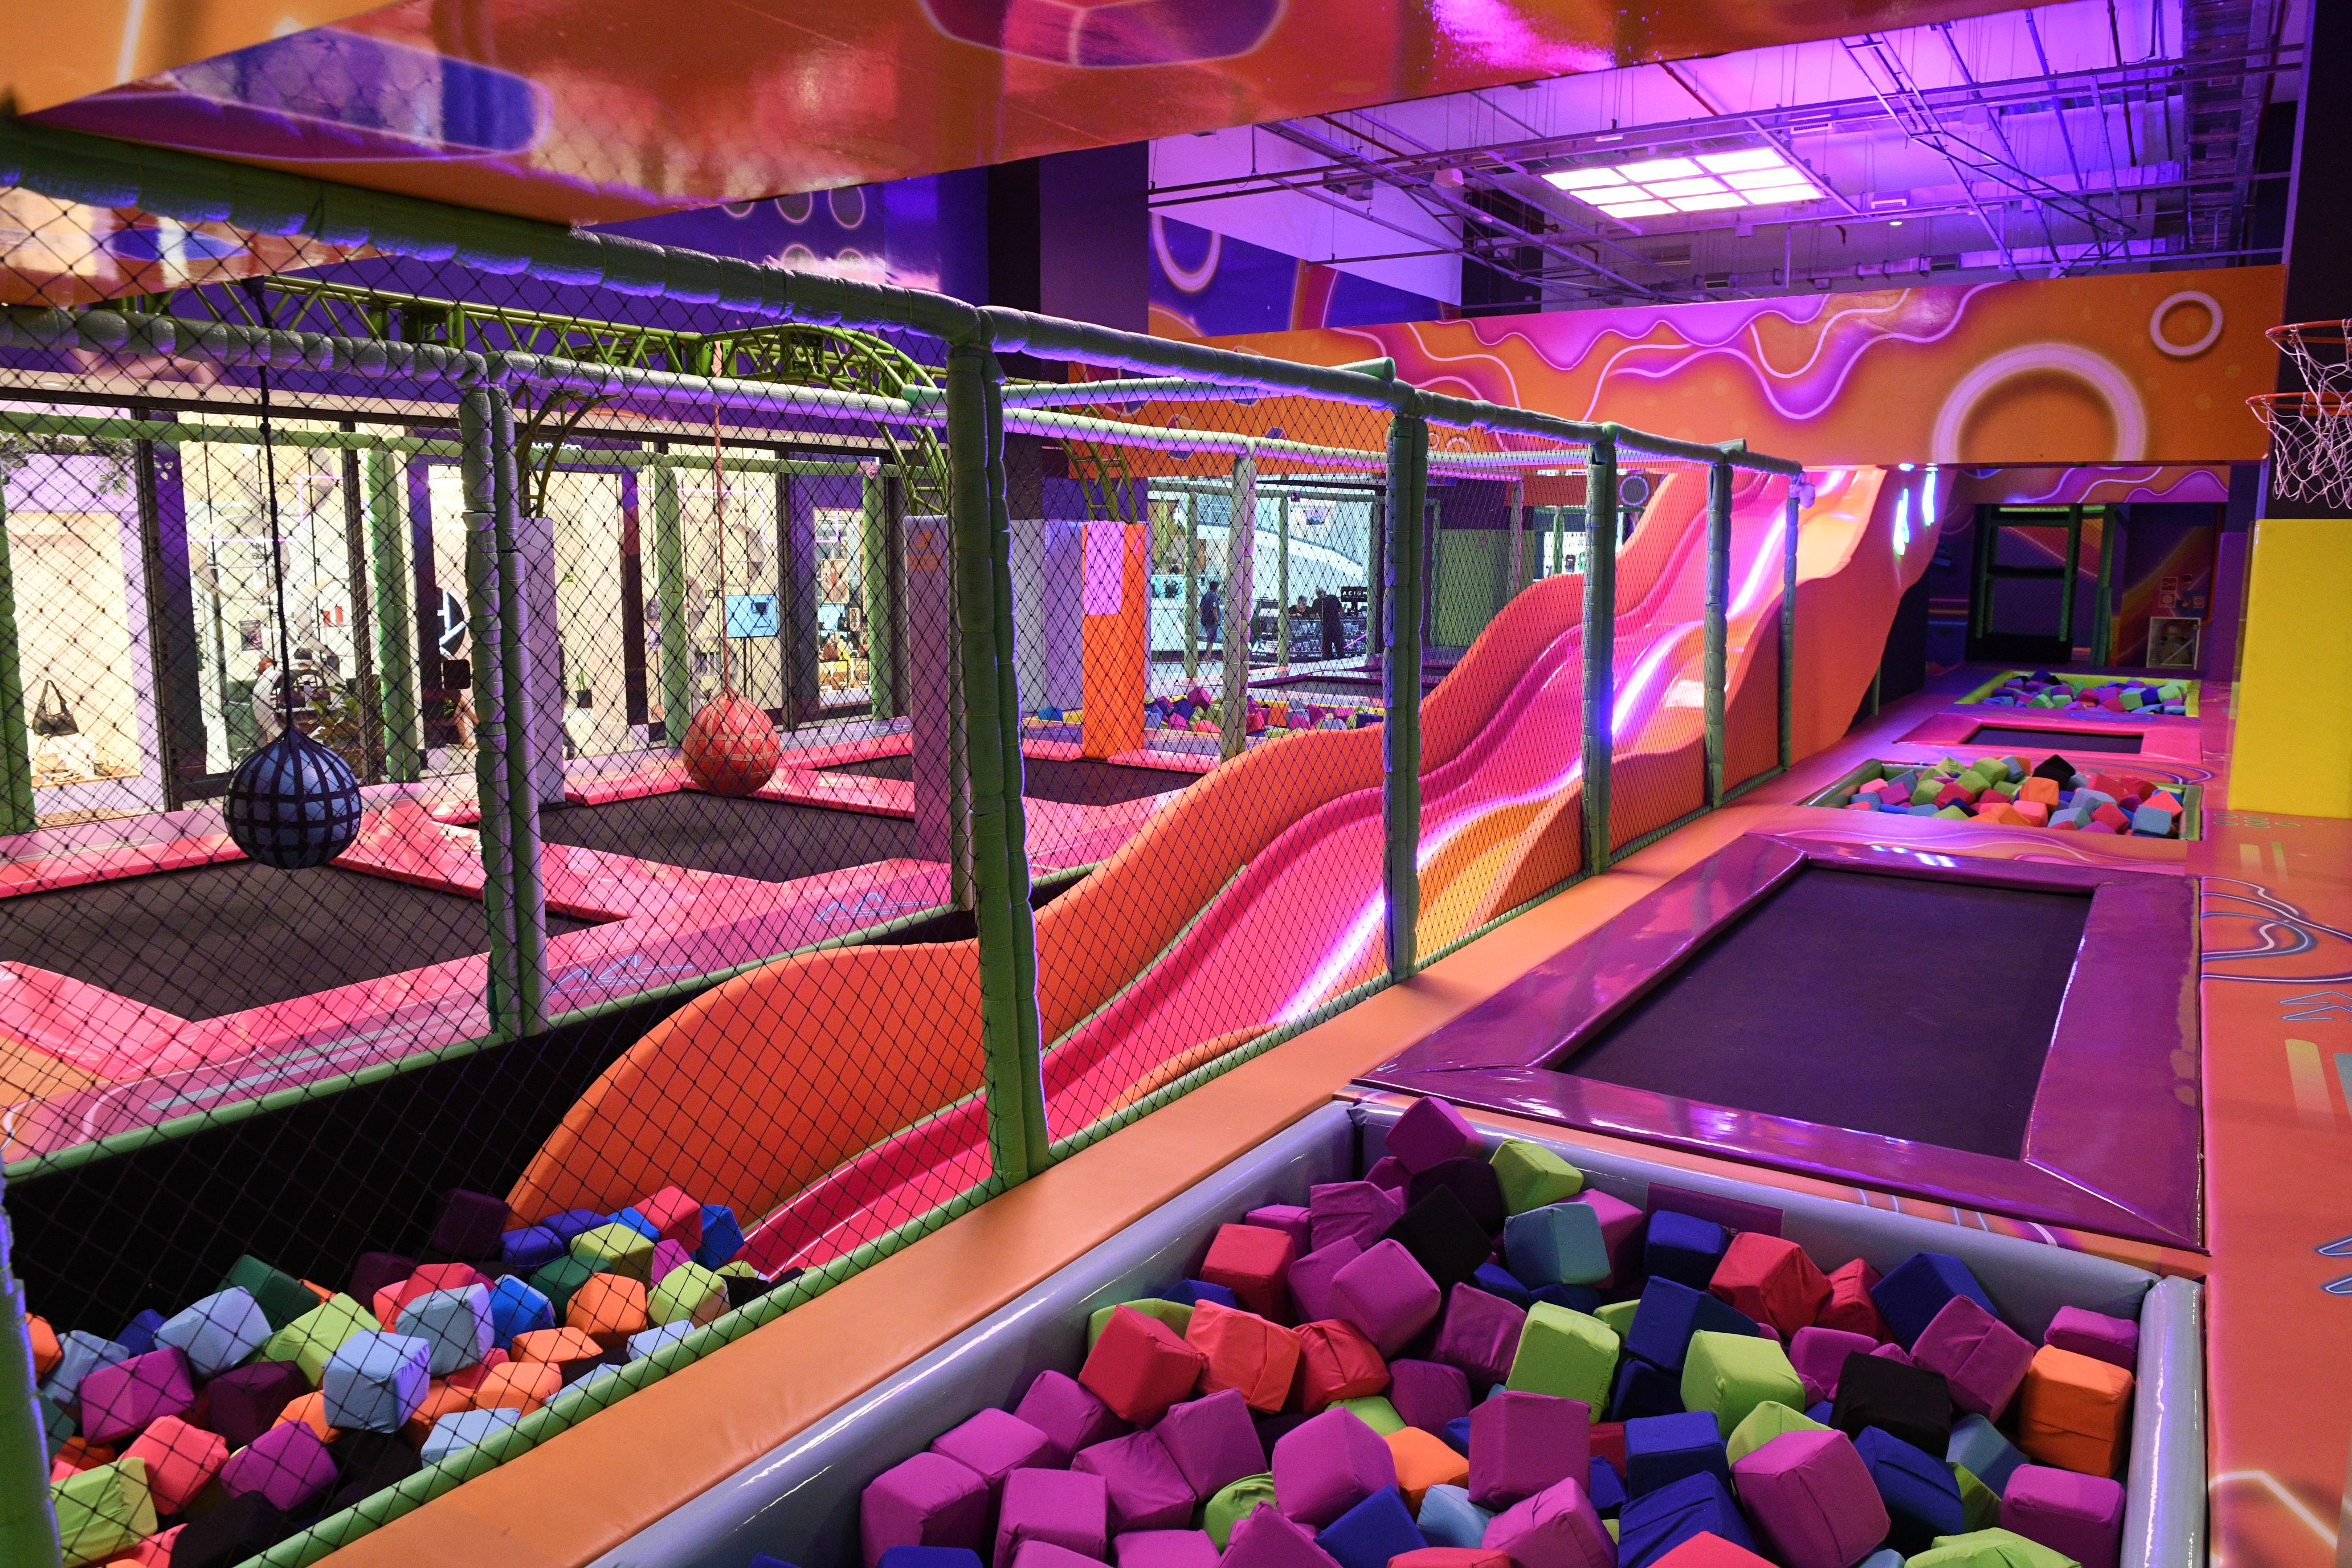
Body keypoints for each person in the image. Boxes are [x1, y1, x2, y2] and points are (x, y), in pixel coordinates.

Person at [1318, 589, 1344, 661]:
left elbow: (1312, 615)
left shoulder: (1318, 601)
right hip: (1336, 626)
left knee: (1327, 650)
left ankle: (1328, 662)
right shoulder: (1333, 597)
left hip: (1326, 627)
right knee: (1339, 647)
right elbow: (1342, 611)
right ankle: (1342, 661)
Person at [1200, 579, 1222, 652]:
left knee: (1209, 638)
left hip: (1206, 621)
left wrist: (1203, 616)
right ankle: (1208, 655)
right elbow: (1214, 609)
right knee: (1211, 639)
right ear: (1216, 588)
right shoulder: (1215, 596)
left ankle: (1208, 655)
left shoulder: (1205, 595)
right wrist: (1217, 621)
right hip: (1212, 622)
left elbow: (1201, 608)